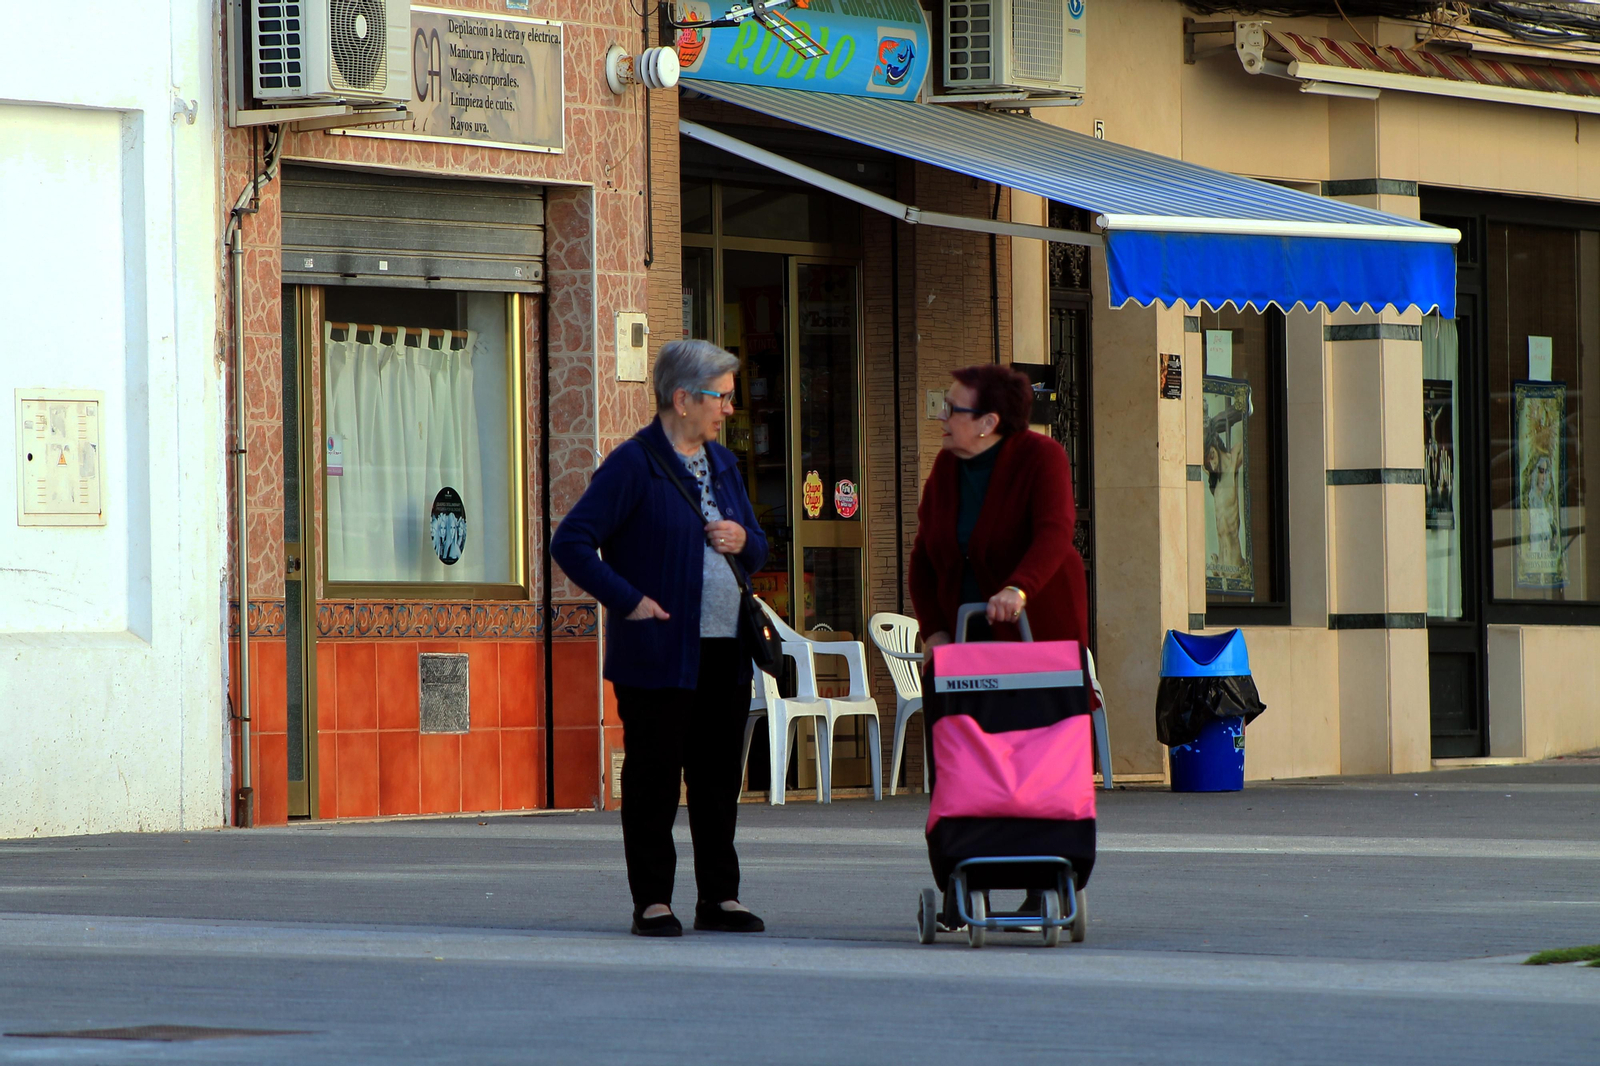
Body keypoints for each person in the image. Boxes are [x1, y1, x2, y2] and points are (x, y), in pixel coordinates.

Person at [551, 339, 768, 938]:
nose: (729, 409)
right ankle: (654, 901)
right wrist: (629, 601)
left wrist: (742, 541)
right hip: (659, 651)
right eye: (721, 398)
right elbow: (570, 542)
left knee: (718, 777)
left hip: (725, 648)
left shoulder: (722, 465)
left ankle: (720, 898)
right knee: (653, 778)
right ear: (683, 398)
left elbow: (759, 544)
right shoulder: (633, 464)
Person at [909, 364, 1089, 653]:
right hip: (963, 637)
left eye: (953, 409)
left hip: (1037, 632)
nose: (942, 416)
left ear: (987, 423)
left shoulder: (1041, 456)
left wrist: (1017, 589)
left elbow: (1054, 534)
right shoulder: (947, 465)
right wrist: (933, 631)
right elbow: (923, 559)